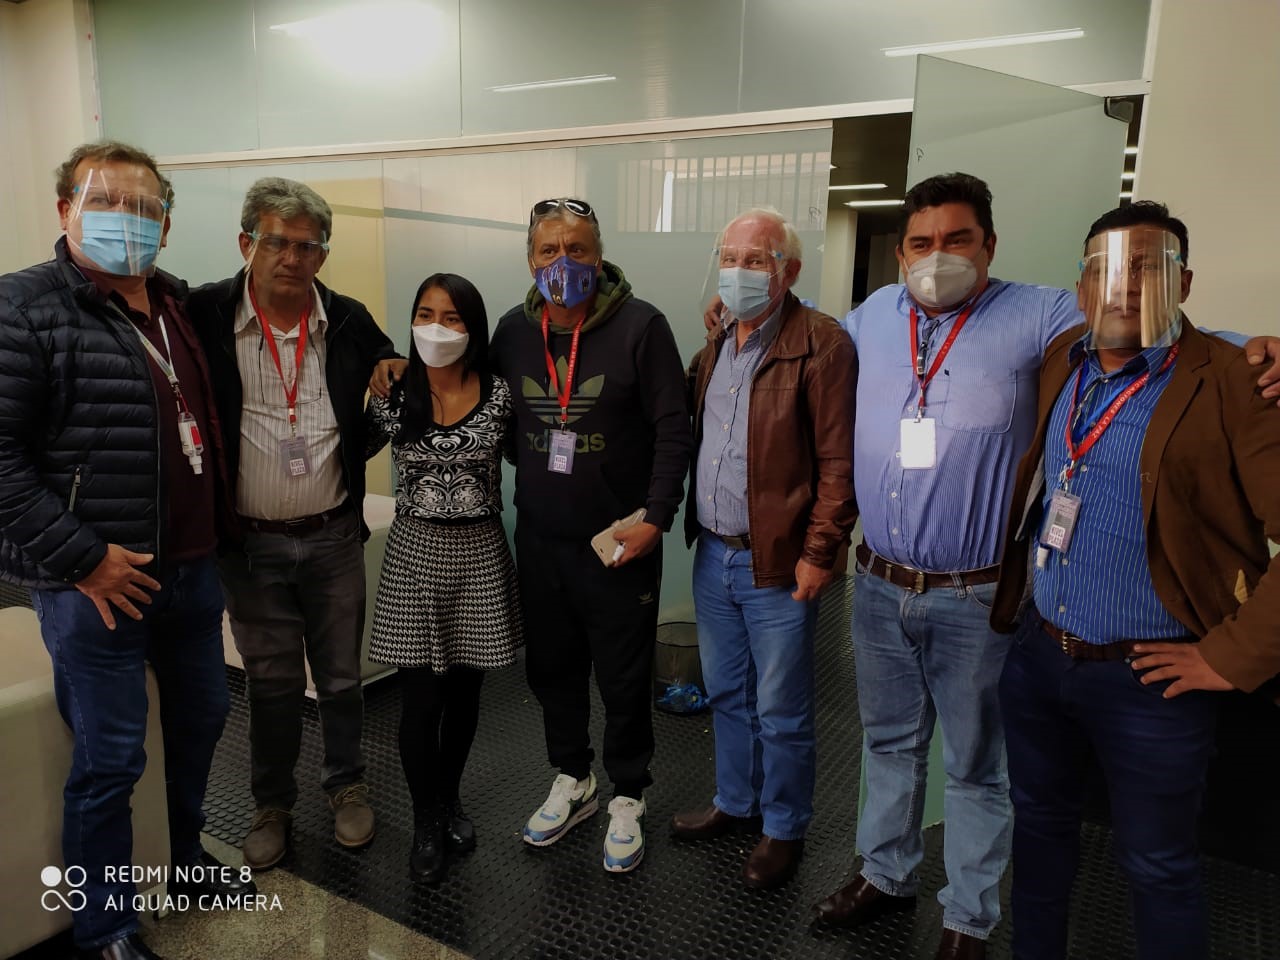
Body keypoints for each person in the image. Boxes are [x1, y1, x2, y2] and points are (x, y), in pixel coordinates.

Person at [811, 173, 1280, 960]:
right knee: (954, 781)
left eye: (957, 240)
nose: (937, 257)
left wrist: (1258, 348)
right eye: (921, 243)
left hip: (1052, 630)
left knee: (1100, 835)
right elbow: (814, 343)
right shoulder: (907, 324)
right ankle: (890, 876)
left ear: (989, 245)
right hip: (949, 611)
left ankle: (966, 918)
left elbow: (1178, 338)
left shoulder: (1052, 322)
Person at [989, 202, 1280, 960]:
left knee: (1158, 866)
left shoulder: (1237, 381)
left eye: (1148, 267)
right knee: (1038, 833)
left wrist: (1230, 656)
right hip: (1041, 656)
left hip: (1151, 681)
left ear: (1184, 283)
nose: (1123, 286)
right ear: (1082, 287)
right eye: (1106, 270)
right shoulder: (1064, 358)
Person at [0, 140, 252, 960]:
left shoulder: (178, 305)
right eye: (103, 200)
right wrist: (82, 560)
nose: (125, 218)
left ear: (166, 224)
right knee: (110, 756)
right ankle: (105, 922)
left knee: (202, 721)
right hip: (94, 585)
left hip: (189, 570)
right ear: (64, 210)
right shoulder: (23, 307)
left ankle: (183, 858)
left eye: (143, 206)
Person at [187, 178, 398, 870]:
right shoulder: (205, 314)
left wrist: (386, 382)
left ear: (322, 255)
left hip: (333, 535)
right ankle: (272, 804)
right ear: (246, 243)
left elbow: (390, 376)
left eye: (308, 246)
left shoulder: (349, 318)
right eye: (277, 241)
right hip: (250, 545)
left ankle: (346, 786)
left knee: (340, 677)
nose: (292, 257)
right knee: (272, 684)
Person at [493, 197, 692, 874]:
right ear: (530, 260)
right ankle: (573, 778)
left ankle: (628, 793)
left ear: (599, 256)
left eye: (577, 249)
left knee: (623, 675)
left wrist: (656, 516)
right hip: (541, 540)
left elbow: (673, 429)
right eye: (549, 250)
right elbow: (494, 414)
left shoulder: (642, 326)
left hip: (618, 544)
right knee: (553, 669)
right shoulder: (512, 331)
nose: (563, 262)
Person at [670, 208, 857, 889]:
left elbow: (838, 464)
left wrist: (820, 551)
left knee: (780, 707)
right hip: (713, 552)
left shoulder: (822, 344)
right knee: (726, 691)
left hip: (777, 560)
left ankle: (784, 826)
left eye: (757, 259)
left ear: (790, 271)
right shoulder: (717, 344)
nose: (740, 271)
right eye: (730, 258)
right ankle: (736, 800)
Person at [364, 273, 522, 884]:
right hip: (414, 553)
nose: (437, 327)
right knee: (420, 702)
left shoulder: (501, 395)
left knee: (464, 697)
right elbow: (347, 451)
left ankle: (450, 797)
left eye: (452, 317)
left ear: (472, 327)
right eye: (426, 313)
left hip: (479, 554)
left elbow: (534, 458)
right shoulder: (393, 392)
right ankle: (426, 819)